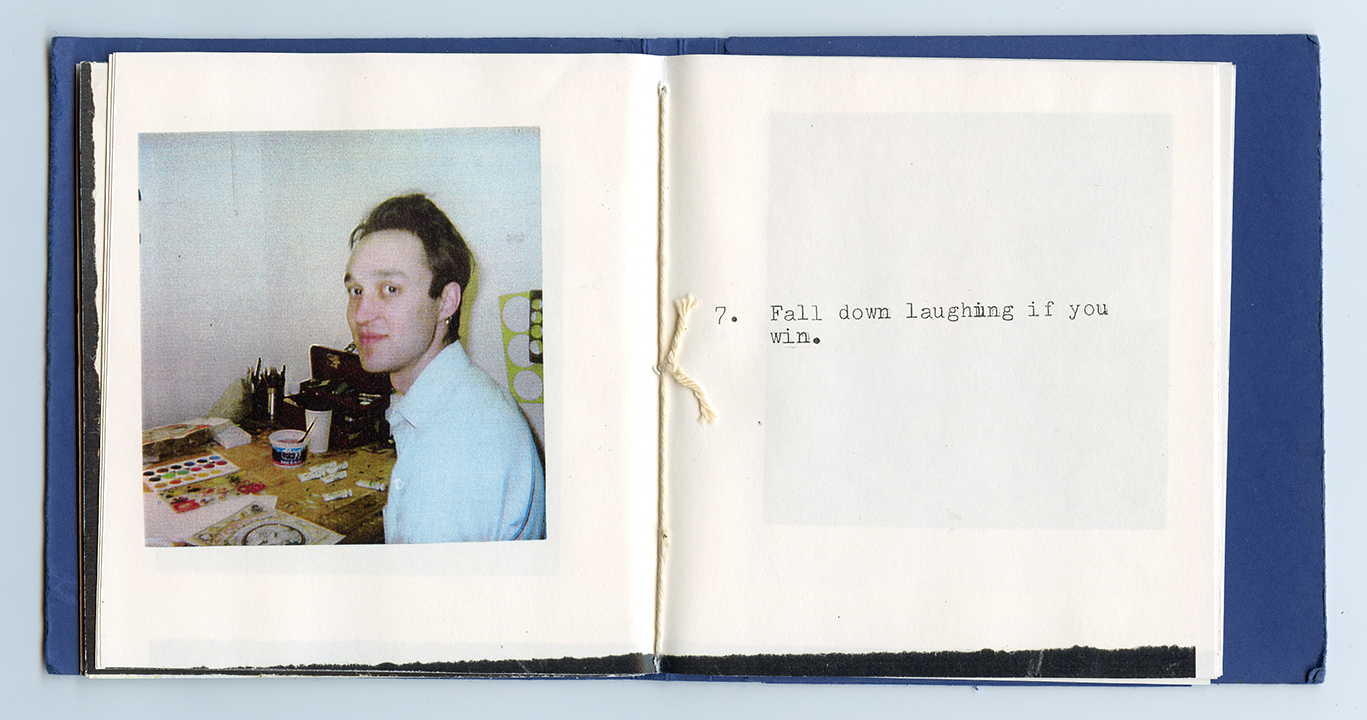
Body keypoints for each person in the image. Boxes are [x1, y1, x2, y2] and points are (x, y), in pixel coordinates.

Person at [343, 193, 545, 543]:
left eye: (390, 289)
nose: (361, 314)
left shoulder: (455, 453)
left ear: (446, 302)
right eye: (356, 290)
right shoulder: (462, 400)